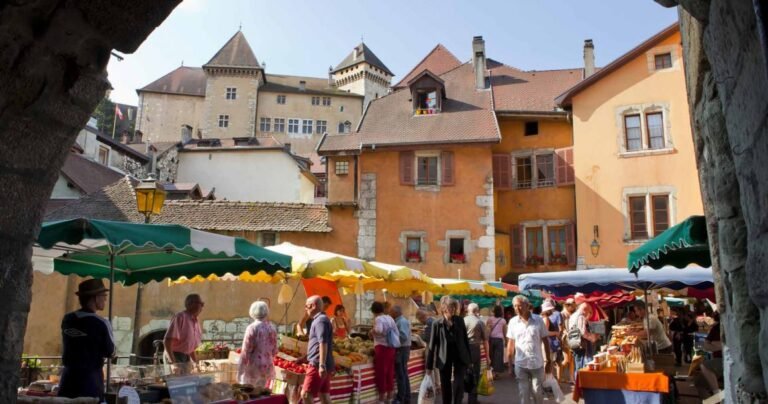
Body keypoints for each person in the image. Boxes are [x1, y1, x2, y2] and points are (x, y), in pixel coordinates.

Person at [58, 279, 115, 400]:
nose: (105, 299)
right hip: (90, 382)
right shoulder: (101, 323)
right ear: (95, 298)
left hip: (67, 380)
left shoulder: (67, 319)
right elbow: (110, 351)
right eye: (104, 296)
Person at [507, 295, 551, 404]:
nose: (517, 309)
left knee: (537, 392)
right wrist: (509, 364)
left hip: (537, 363)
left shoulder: (538, 320)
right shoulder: (512, 322)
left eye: (520, 306)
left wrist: (549, 360)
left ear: (527, 305)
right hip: (520, 364)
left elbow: (545, 341)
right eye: (515, 306)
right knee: (523, 393)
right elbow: (511, 344)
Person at [426, 296, 472, 404]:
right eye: (450, 307)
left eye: (453, 307)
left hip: (460, 356)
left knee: (459, 384)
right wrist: (429, 367)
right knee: (445, 385)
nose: (452, 310)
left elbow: (465, 340)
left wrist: (469, 360)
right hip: (444, 358)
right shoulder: (437, 324)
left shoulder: (459, 320)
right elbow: (432, 347)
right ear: (443, 308)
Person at [298, 295, 334, 404]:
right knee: (324, 395)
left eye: (306, 306)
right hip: (322, 362)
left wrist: (321, 365)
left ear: (313, 306)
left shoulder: (320, 321)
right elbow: (318, 344)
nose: (305, 308)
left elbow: (323, 342)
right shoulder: (321, 319)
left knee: (306, 394)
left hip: (317, 363)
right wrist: (305, 358)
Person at [238, 301, 278, 387]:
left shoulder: (252, 328)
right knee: (264, 393)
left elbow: (246, 351)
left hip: (254, 366)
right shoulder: (272, 328)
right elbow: (275, 351)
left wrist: (240, 371)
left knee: (252, 392)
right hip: (268, 365)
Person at [164, 293, 204, 375]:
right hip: (175, 355)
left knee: (186, 382)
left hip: (186, 357)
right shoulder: (180, 317)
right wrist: (173, 364)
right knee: (177, 383)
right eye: (201, 303)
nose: (202, 307)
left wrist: (196, 363)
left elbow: (190, 346)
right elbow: (167, 341)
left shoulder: (196, 322)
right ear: (191, 304)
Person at [370, 301, 397, 404]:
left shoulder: (378, 319)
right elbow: (395, 331)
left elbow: (379, 330)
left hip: (382, 348)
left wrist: (371, 331)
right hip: (391, 348)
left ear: (373, 311)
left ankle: (381, 399)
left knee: (381, 373)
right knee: (390, 372)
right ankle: (390, 397)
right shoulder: (390, 318)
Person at [464, 303, 489, 404]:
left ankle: (459, 397)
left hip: (464, 349)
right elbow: (485, 340)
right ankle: (472, 399)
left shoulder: (462, 320)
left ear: (468, 310)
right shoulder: (479, 322)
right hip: (474, 349)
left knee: (464, 373)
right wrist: (488, 356)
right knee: (474, 374)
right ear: (477, 311)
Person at [568, 302, 601, 380]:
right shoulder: (580, 316)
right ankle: (581, 387)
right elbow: (583, 333)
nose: (587, 313)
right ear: (585, 309)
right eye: (588, 311)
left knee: (578, 365)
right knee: (582, 367)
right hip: (581, 344)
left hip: (574, 343)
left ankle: (578, 385)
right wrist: (593, 338)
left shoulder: (573, 315)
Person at [694, 312, 723, 400]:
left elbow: (716, 345)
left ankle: (717, 394)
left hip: (723, 361)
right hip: (718, 360)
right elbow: (708, 346)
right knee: (699, 382)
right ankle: (712, 400)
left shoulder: (719, 327)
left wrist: (713, 345)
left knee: (705, 366)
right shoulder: (716, 327)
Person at [392, 305, 412, 404]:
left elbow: (403, 336)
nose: (390, 314)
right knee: (403, 373)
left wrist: (392, 338)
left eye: (391, 312)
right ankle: (406, 397)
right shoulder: (400, 321)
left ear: (396, 313)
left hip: (402, 349)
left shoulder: (401, 321)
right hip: (403, 349)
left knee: (401, 374)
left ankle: (401, 398)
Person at [541, 299, 563, 381]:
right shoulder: (546, 318)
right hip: (548, 344)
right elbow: (545, 332)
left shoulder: (542, 318)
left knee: (547, 363)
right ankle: (548, 381)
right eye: (550, 309)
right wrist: (555, 333)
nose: (552, 311)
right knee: (548, 363)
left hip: (545, 344)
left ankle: (548, 381)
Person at [486, 305, 507, 378]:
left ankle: (491, 372)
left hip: (491, 339)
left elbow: (487, 330)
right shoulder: (503, 320)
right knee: (498, 357)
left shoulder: (490, 319)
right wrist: (506, 341)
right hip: (499, 340)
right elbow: (504, 332)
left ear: (494, 311)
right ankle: (495, 372)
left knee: (491, 355)